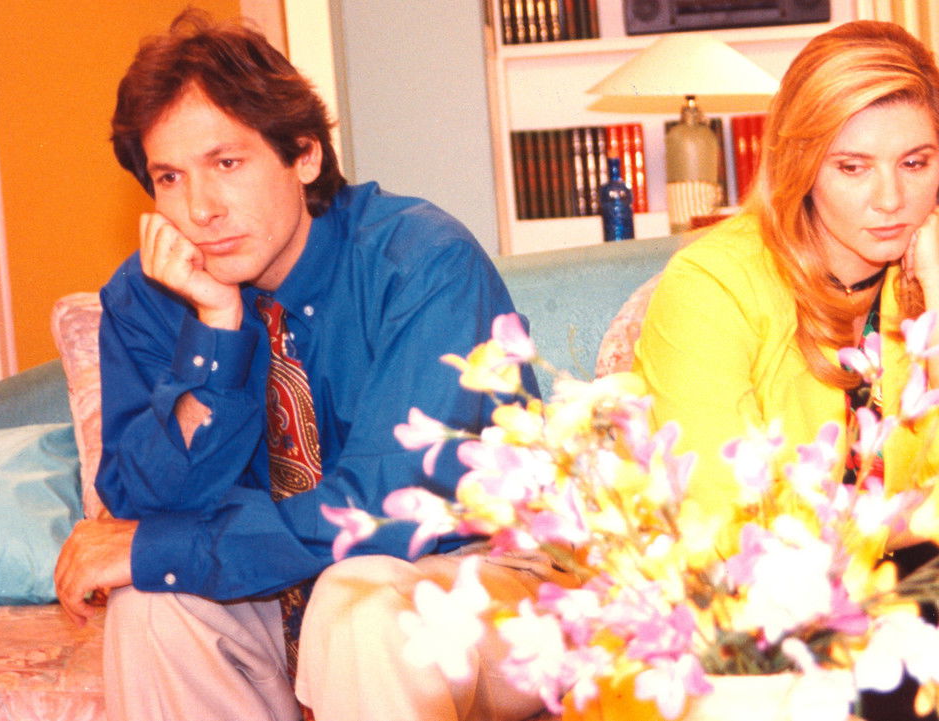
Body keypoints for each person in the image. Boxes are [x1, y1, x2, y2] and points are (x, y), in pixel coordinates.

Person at [51, 10, 563, 721]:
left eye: (226, 164)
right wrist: (217, 329)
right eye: (169, 177)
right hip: (275, 595)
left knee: (356, 604)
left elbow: (386, 510)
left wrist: (178, 544)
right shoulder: (149, 297)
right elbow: (144, 510)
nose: (200, 209)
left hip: (476, 580)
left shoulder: (422, 263)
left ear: (304, 155)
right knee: (152, 608)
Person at [632, 21, 939, 721]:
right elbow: (729, 529)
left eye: (915, 162)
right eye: (852, 167)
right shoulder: (711, 284)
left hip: (884, 569)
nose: (891, 199)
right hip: (749, 601)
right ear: (802, 164)